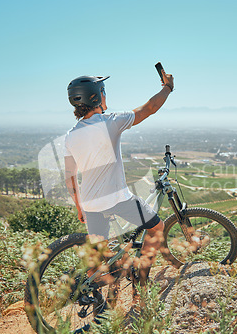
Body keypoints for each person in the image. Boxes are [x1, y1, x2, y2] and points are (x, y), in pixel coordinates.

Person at [64, 69, 174, 286]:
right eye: (103, 92)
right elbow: (149, 108)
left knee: (100, 257)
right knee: (156, 228)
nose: (106, 96)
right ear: (97, 96)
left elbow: (70, 177)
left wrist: (79, 207)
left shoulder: (71, 136)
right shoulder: (111, 122)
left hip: (90, 204)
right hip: (117, 199)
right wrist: (167, 87)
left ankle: (93, 296)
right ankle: (142, 281)